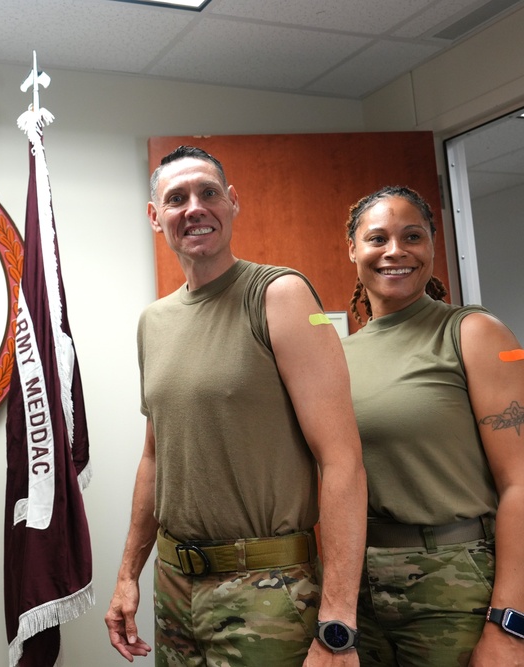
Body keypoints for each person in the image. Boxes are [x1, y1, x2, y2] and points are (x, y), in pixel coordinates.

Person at [106, 146, 367, 666]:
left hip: (266, 589)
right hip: (176, 588)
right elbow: (156, 459)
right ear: (156, 218)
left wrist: (338, 622)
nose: (194, 207)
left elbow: (342, 460)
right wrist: (127, 576)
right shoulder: (153, 322)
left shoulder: (280, 294)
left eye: (208, 193)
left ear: (232, 203)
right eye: (176, 198)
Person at [342, 185, 524, 666]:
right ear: (353, 251)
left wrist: (512, 623)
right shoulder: (336, 355)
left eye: (412, 236)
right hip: (357, 585)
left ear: (432, 246)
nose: (395, 251)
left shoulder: (475, 332)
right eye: (377, 238)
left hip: (455, 582)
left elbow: (520, 482)